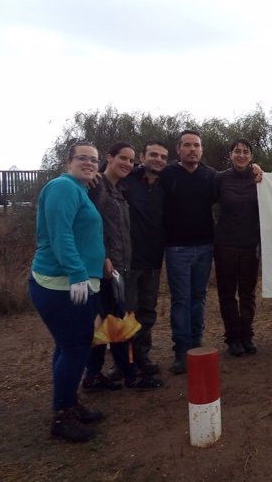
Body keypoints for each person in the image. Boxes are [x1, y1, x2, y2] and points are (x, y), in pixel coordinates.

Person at [28, 141, 105, 442]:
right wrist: (76, 273)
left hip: (75, 282)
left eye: (94, 160)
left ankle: (69, 403)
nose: (89, 163)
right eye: (83, 158)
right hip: (61, 284)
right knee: (75, 348)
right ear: (68, 161)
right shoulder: (62, 187)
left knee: (68, 346)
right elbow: (61, 235)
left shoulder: (79, 190)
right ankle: (62, 416)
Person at [82, 142, 163, 391]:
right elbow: (88, 225)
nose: (127, 164)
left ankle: (94, 376)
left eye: (130, 161)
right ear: (109, 158)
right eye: (122, 159)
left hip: (121, 266)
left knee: (110, 321)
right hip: (105, 267)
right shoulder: (97, 187)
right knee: (115, 320)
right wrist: (104, 257)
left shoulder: (120, 189)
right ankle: (130, 374)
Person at [159, 130, 216, 374]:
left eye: (197, 145)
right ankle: (181, 352)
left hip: (205, 246)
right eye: (188, 145)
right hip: (176, 248)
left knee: (199, 297)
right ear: (178, 149)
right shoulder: (166, 174)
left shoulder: (211, 175)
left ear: (202, 150)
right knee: (181, 300)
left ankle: (196, 346)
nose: (193, 149)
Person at [121, 140, 168, 375]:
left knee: (147, 312)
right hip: (128, 260)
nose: (158, 159)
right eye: (154, 155)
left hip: (152, 259)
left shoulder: (166, 184)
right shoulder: (126, 181)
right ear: (143, 156)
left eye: (162, 156)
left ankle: (142, 356)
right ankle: (123, 363)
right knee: (126, 312)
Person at [214, 139, 262, 357]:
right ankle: (232, 337)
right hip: (225, 245)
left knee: (248, 294)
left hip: (250, 245)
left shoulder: (259, 178)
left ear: (251, 156)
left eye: (245, 152)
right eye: (237, 151)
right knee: (226, 294)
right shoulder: (220, 178)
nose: (241, 155)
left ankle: (247, 335)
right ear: (230, 155)